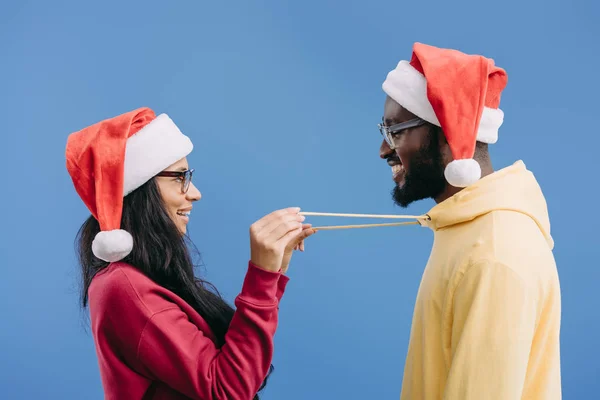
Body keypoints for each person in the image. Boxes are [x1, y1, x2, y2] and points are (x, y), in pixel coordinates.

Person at [65, 107, 316, 400]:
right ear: (141, 188)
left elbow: (246, 373)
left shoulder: (143, 280)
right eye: (180, 177)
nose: (195, 193)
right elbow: (228, 390)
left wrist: (273, 276)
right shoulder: (123, 287)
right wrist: (260, 280)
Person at [377, 42, 561, 399]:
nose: (384, 149)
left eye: (396, 131)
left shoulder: (494, 256)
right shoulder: (468, 231)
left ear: (449, 135)